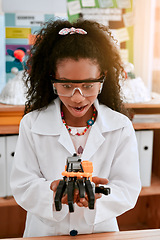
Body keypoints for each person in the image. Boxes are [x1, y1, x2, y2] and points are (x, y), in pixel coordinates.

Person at [10, 19, 141, 237]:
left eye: (88, 85)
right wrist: (52, 193)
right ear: (52, 80)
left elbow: (127, 188)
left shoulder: (119, 127)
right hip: (45, 232)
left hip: (99, 231)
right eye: (67, 85)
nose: (77, 97)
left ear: (103, 80)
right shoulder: (32, 124)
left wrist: (97, 195)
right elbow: (23, 184)